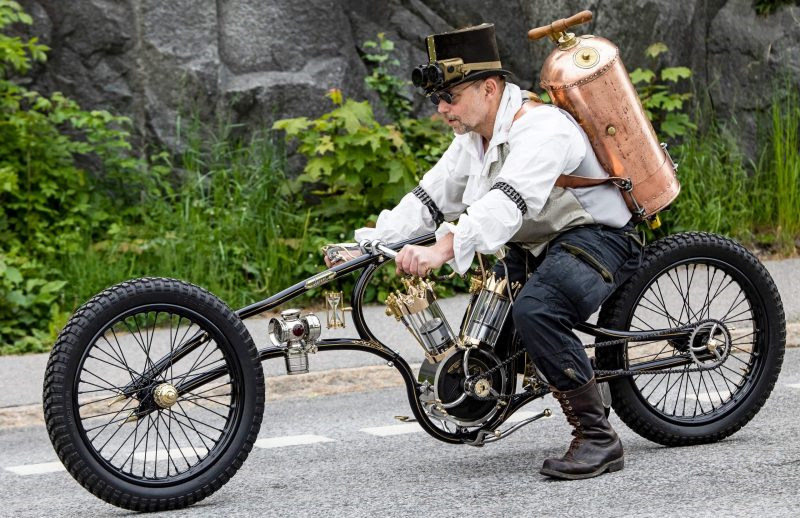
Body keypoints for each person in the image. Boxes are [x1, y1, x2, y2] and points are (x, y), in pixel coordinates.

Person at [327, 23, 641, 480]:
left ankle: (597, 437)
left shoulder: (542, 128)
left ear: (489, 88)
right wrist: (365, 244)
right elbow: (427, 200)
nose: (441, 109)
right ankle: (536, 381)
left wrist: (443, 248)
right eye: (439, 99)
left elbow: (506, 202)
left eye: (450, 97)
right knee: (485, 333)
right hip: (539, 242)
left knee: (537, 311)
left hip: (597, 235)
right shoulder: (473, 142)